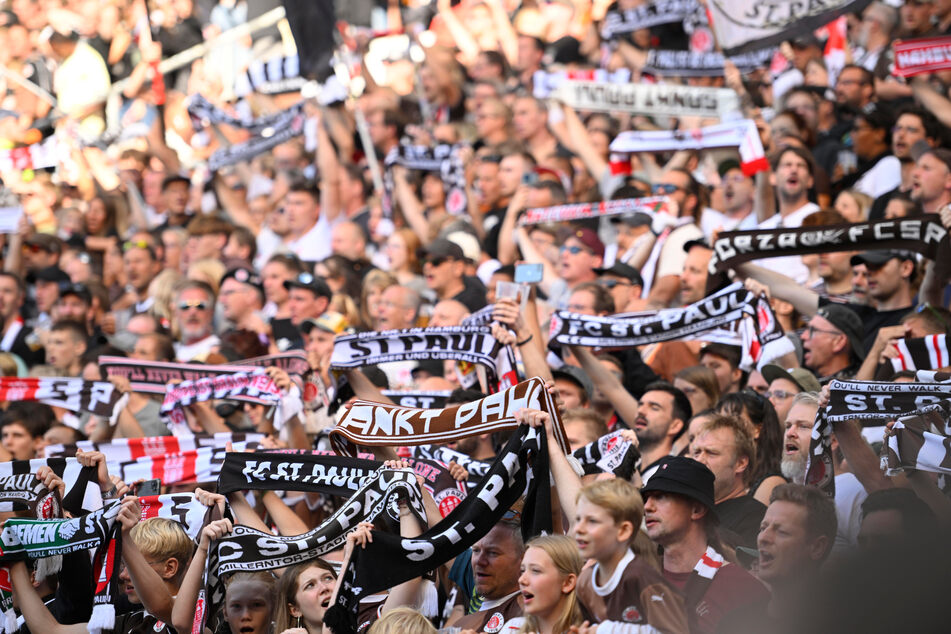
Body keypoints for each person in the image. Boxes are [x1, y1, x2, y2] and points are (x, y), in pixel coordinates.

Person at [641, 456, 769, 633]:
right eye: (646, 498)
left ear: (697, 510)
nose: (647, 507)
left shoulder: (743, 588)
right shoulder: (639, 578)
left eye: (661, 496)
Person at [572, 478, 688, 633]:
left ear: (623, 531)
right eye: (578, 519)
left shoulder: (641, 577)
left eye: (592, 521)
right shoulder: (585, 581)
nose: (578, 529)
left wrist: (607, 630)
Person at [689, 414, 767, 548]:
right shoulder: (687, 510)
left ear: (740, 463)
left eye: (711, 453)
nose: (700, 460)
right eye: (697, 452)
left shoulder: (756, 518)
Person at [508, 535, 583, 634]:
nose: (521, 580)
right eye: (522, 570)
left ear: (568, 582)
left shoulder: (591, 631)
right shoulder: (512, 628)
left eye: (535, 571)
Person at [632, 381, 692, 480]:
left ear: (675, 426)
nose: (641, 411)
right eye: (640, 405)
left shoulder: (672, 476)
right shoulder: (624, 465)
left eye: (654, 408)